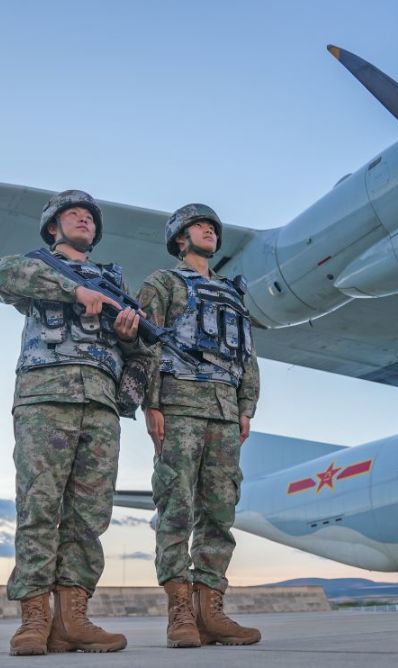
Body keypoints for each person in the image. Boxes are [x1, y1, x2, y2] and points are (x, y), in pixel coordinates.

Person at [0, 189, 145, 655]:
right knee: (40, 506)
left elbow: (143, 354)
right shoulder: (37, 267)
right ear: (53, 228)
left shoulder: (115, 285)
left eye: (89, 217)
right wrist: (75, 290)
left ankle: (73, 619)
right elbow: (6, 275)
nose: (84, 220)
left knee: (89, 516)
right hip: (45, 397)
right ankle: (34, 620)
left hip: (99, 405)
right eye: (72, 215)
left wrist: (129, 338)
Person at [137, 203, 261, 648]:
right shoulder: (163, 283)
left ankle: (212, 611)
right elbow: (146, 343)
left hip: (225, 413)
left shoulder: (231, 294)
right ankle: (180, 614)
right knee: (176, 507)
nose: (208, 229)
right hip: (179, 407)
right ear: (180, 239)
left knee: (220, 511)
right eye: (198, 226)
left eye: (211, 226)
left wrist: (246, 406)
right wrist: (151, 403)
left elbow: (247, 357)